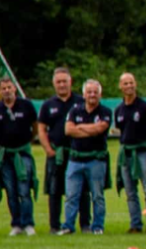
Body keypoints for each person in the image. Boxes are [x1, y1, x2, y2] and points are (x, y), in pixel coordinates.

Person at [36, 67, 90, 235]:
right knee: (54, 190)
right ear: (54, 84)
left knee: (82, 190)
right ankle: (54, 226)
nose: (62, 85)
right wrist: (48, 149)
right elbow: (41, 129)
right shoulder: (48, 105)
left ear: (70, 82)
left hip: (78, 154)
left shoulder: (81, 102)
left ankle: (85, 224)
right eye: (58, 82)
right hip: (56, 154)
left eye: (64, 81)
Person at [60, 79, 113, 236]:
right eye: (89, 92)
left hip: (96, 160)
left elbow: (100, 129)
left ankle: (97, 226)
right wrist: (89, 129)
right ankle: (68, 226)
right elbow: (68, 130)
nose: (92, 95)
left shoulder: (105, 112)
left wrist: (80, 127)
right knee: (71, 195)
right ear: (84, 94)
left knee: (97, 196)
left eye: (95, 92)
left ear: (100, 94)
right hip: (75, 160)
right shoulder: (75, 110)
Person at [112, 72, 146, 234]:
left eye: (131, 83)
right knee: (130, 190)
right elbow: (122, 131)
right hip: (126, 152)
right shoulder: (119, 110)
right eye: (125, 83)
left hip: (143, 151)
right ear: (120, 86)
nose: (129, 86)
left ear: (136, 84)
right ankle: (135, 224)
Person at [0, 75, 38, 235]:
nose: (7, 91)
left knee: (24, 189)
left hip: (22, 154)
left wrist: (28, 140)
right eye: (3, 88)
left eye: (9, 87)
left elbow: (35, 127)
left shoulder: (26, 106)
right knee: (11, 191)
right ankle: (16, 224)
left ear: (15, 88)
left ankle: (28, 223)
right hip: (5, 156)